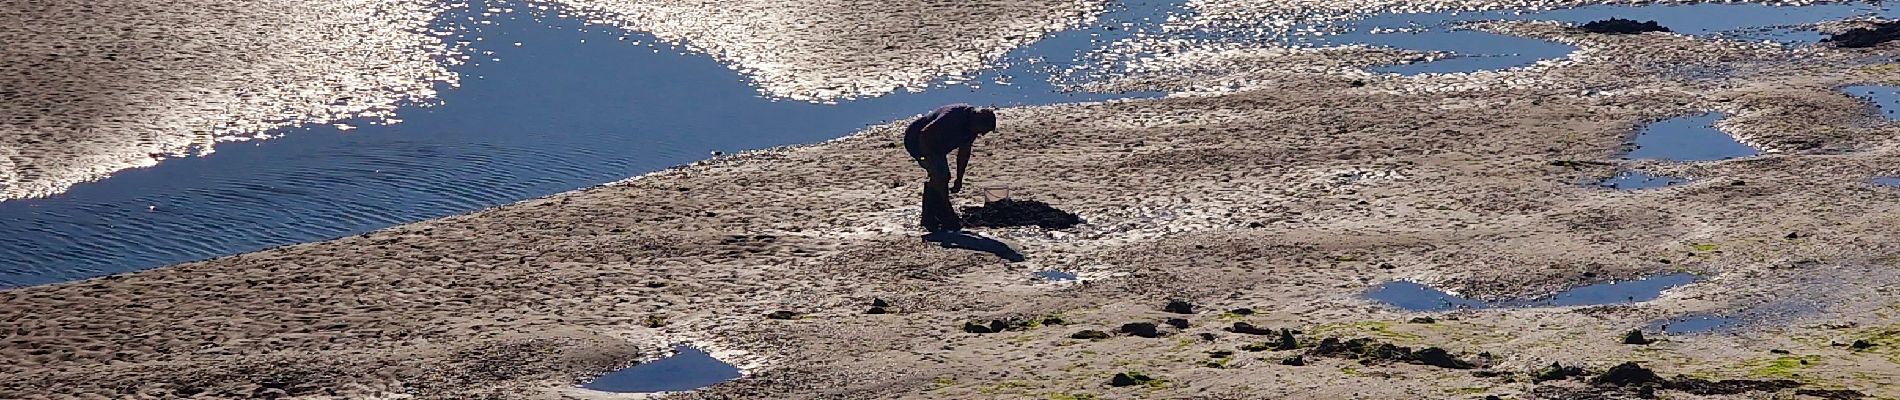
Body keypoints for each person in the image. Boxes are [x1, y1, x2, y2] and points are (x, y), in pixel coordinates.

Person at [903, 103, 997, 233]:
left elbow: (964, 153)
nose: (981, 134)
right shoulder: (952, 116)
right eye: (982, 130)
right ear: (977, 120)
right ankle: (944, 213)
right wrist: (926, 159)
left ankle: (930, 217)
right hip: (917, 139)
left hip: (939, 146)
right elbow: (925, 134)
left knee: (941, 177)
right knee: (941, 176)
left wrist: (959, 178)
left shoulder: (972, 129)